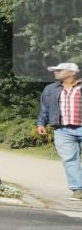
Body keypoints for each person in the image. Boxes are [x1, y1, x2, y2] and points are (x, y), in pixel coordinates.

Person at [37, 62, 82, 200]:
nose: (55, 72)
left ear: (72, 72)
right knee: (69, 160)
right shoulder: (51, 89)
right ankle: (78, 190)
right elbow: (45, 108)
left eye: (59, 70)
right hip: (62, 130)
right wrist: (41, 123)